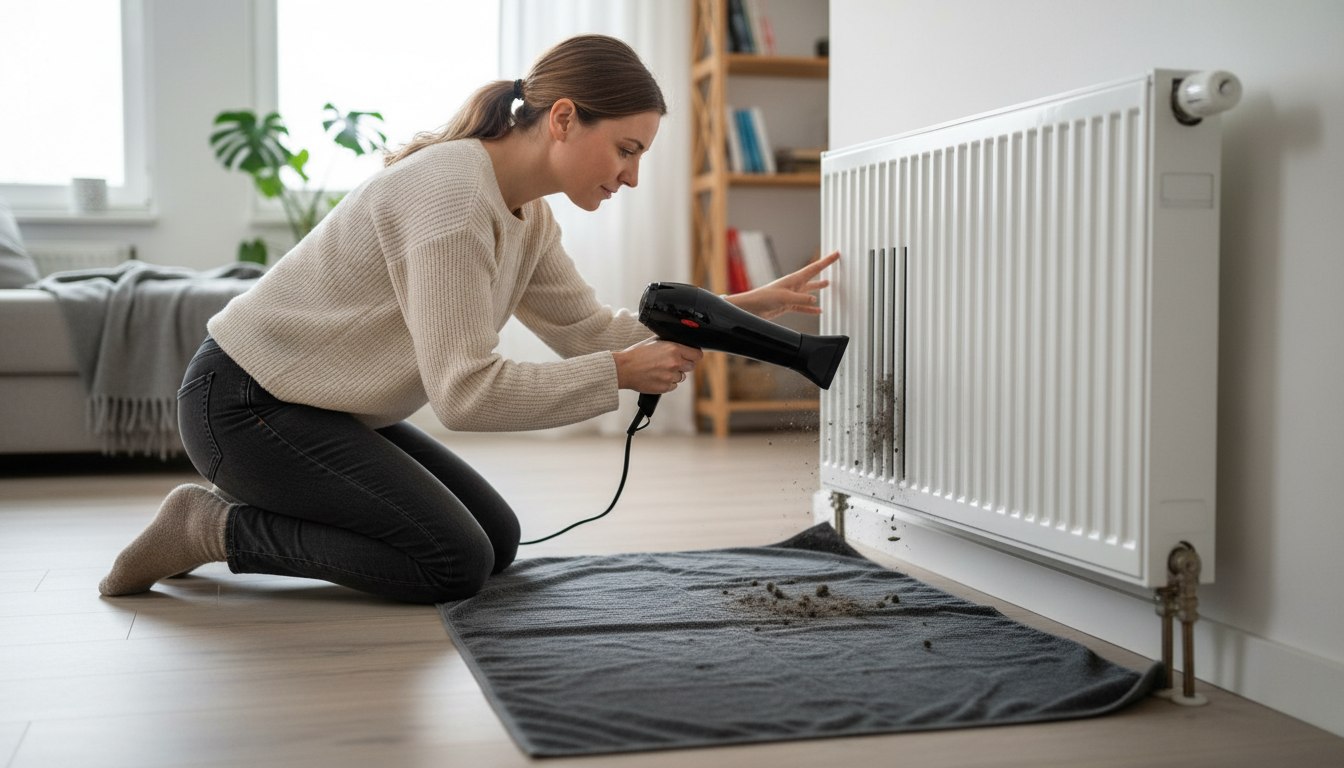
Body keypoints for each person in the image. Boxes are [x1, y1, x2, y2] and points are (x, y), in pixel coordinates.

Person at [98, 34, 840, 604]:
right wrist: (616, 377)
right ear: (562, 119)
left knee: (497, 541)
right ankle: (209, 527)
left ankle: (254, 514)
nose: (631, 175)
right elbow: (465, 393)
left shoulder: (528, 216)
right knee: (449, 561)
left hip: (328, 410)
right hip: (246, 407)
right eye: (625, 149)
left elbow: (589, 330)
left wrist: (744, 308)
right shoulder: (452, 199)